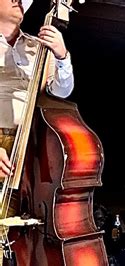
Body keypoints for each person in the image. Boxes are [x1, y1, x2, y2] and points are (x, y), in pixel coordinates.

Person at [0, 0, 74, 214]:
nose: (18, 1)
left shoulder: (37, 46)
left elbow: (61, 91)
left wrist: (62, 56)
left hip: (35, 145)